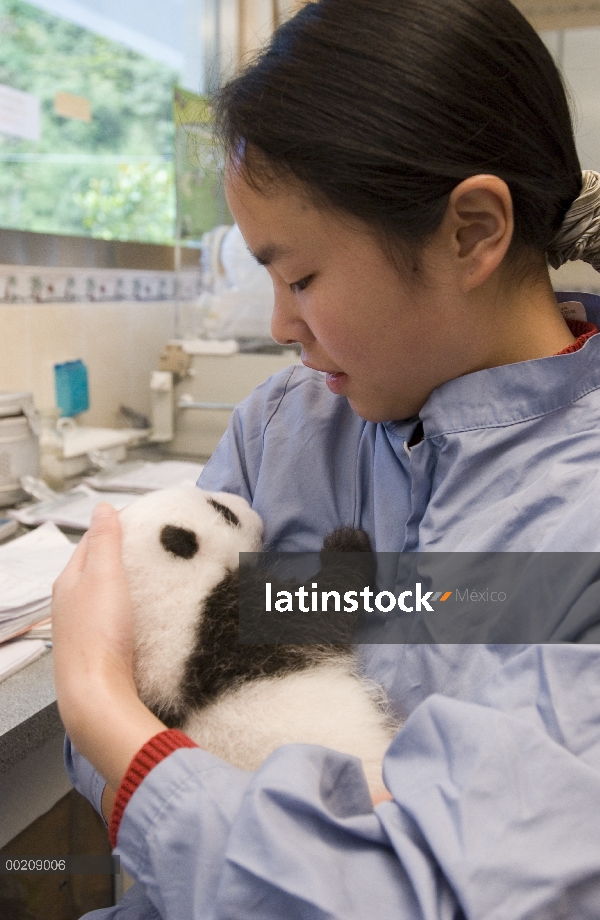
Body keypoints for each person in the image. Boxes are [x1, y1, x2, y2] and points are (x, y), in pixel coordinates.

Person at [52, 0, 600, 916]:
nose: (279, 326)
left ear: (471, 231)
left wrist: (108, 717)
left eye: (301, 277)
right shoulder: (283, 429)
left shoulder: (574, 516)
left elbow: (425, 895)